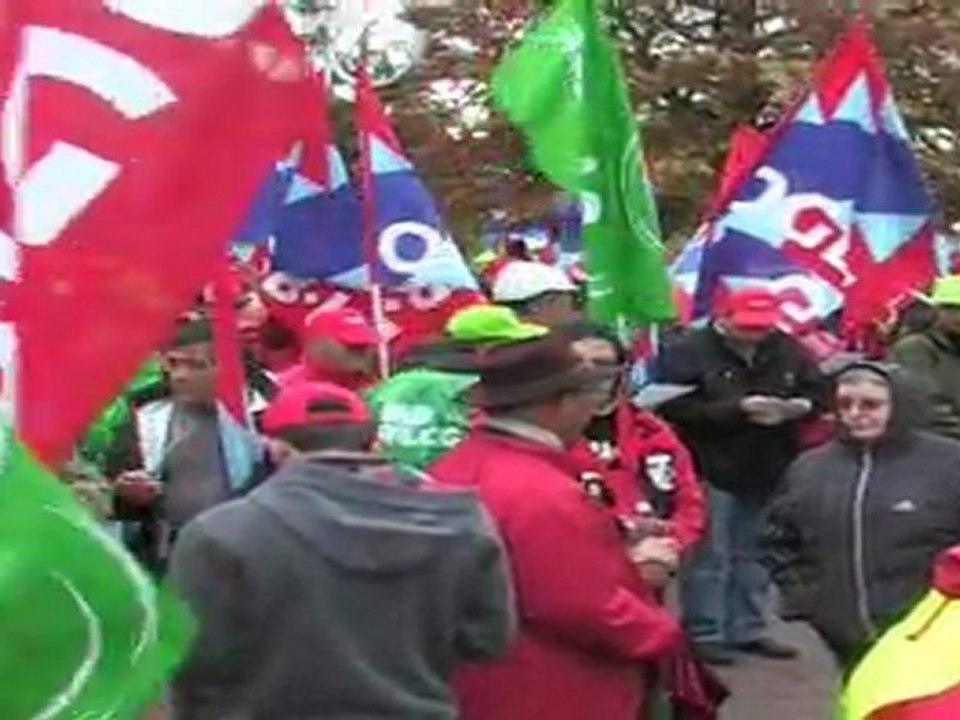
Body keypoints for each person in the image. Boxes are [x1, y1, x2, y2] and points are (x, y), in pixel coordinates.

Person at [170, 381, 515, 720]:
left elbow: (193, 667)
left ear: (275, 449)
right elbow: (487, 642)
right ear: (375, 443)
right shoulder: (459, 519)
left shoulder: (220, 533)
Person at [430, 333, 682, 720]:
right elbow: (580, 606)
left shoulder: (455, 465)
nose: (592, 408)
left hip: (478, 680)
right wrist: (661, 631)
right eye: (588, 396)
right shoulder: (540, 489)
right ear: (560, 403)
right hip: (550, 688)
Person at [654, 287, 823, 665]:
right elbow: (670, 405)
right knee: (710, 555)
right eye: (747, 327)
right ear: (723, 317)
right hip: (710, 461)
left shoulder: (787, 348)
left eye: (763, 327)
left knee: (756, 551)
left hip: (769, 462)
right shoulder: (689, 351)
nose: (756, 335)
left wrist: (797, 408)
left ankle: (749, 627)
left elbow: (819, 390)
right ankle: (705, 632)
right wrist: (737, 409)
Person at [765, 362, 960, 669]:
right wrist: (807, 600)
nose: (856, 413)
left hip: (933, 633)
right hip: (844, 634)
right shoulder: (810, 468)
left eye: (871, 404)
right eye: (845, 405)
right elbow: (780, 538)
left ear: (900, 405)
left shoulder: (948, 463)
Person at [107, 319, 268, 574]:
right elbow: (115, 488)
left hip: (251, 562)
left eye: (196, 365)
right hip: (167, 560)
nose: (180, 376)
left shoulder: (271, 417)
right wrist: (126, 493)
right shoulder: (146, 413)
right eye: (173, 364)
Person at [564, 321, 707, 559]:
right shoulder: (544, 433)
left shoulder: (650, 431)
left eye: (603, 365)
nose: (592, 375)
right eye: (578, 365)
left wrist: (669, 546)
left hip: (654, 566)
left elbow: (688, 504)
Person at [368, 304, 547, 470]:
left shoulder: (394, 384)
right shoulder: (487, 388)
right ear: (487, 347)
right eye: (514, 344)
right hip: (461, 493)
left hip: (384, 492)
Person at [889, 275, 960, 439]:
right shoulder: (914, 349)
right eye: (952, 309)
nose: (958, 316)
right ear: (937, 311)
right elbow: (924, 408)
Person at [279, 307, 378, 391]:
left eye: (366, 343)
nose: (363, 352)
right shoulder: (286, 388)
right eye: (352, 345)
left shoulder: (373, 387)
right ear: (316, 344)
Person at [489, 260, 581, 327]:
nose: (576, 311)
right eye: (573, 302)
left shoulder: (485, 344)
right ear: (550, 302)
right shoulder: (555, 350)